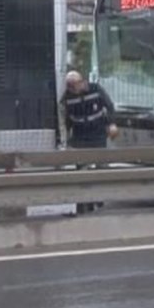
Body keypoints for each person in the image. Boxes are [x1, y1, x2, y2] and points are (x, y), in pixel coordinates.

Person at [58, 70, 117, 214]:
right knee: (82, 173)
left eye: (74, 85)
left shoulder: (96, 90)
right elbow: (64, 121)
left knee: (101, 169)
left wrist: (112, 124)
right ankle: (83, 205)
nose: (72, 88)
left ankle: (99, 200)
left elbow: (109, 106)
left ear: (82, 82)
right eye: (69, 86)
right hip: (80, 138)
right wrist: (65, 142)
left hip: (98, 135)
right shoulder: (67, 99)